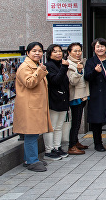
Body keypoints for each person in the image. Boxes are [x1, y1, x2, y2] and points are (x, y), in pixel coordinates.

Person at [14, 42, 52, 172]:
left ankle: (29, 158)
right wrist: (40, 71)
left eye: (40, 51)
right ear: (28, 53)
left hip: (34, 106)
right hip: (29, 107)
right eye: (34, 51)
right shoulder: (25, 67)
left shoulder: (34, 66)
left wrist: (40, 70)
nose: (37, 53)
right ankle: (32, 161)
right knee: (31, 134)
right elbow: (30, 83)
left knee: (34, 134)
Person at [43, 44, 70, 161]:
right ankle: (49, 151)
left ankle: (57, 147)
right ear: (49, 54)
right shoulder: (48, 66)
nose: (58, 53)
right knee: (51, 126)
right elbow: (55, 81)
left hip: (63, 100)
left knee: (59, 126)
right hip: (53, 100)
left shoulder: (60, 65)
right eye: (55, 52)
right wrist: (64, 68)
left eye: (60, 51)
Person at [66, 42, 89, 155]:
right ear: (69, 52)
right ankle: (71, 146)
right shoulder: (69, 64)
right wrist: (79, 71)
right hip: (75, 97)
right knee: (75, 122)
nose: (78, 53)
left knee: (78, 121)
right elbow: (73, 81)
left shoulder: (81, 62)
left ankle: (76, 142)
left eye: (79, 50)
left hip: (82, 95)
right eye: (75, 51)